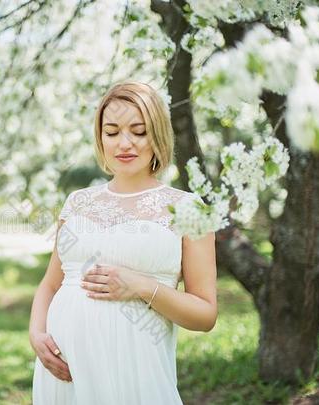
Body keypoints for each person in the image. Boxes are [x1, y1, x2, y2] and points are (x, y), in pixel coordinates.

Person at [29, 81, 218, 404]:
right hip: (65, 371)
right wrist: (37, 335)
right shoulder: (77, 203)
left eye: (139, 131)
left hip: (136, 371)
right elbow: (50, 284)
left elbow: (205, 315)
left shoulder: (189, 209)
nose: (124, 143)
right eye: (112, 132)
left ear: (157, 134)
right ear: (100, 138)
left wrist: (142, 287)